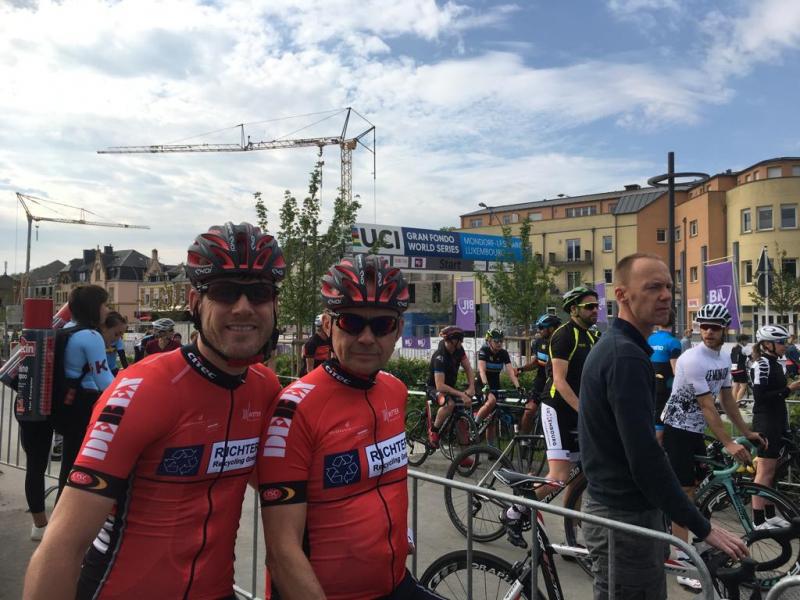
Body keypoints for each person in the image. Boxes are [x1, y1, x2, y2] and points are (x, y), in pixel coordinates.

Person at [24, 222, 285, 600]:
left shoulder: (265, 388)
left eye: (259, 293)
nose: (243, 307)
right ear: (195, 302)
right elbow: (61, 547)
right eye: (225, 292)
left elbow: (283, 484)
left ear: (274, 305)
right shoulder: (141, 390)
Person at [259, 254, 443, 600]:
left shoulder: (395, 390)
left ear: (398, 330)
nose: (367, 338)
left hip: (395, 583)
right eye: (352, 322)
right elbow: (282, 553)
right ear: (329, 326)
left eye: (382, 325)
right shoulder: (293, 410)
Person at [578, 253, 748, 600]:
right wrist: (704, 528)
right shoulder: (625, 356)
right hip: (624, 519)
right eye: (653, 287)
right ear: (622, 295)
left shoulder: (622, 347)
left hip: (621, 512)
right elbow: (644, 459)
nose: (666, 295)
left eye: (669, 286)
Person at [661, 303, 764, 589]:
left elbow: (727, 400)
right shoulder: (692, 359)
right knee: (684, 492)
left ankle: (685, 535)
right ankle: (681, 560)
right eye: (703, 326)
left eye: (714, 327)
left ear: (724, 329)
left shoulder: (722, 359)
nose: (707, 332)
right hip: (678, 428)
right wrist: (728, 442)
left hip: (695, 430)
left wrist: (746, 431)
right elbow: (707, 406)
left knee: (696, 488)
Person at [54, 285, 115, 499]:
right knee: (81, 464)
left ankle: (61, 506)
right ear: (93, 307)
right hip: (84, 403)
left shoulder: (68, 328)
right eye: (104, 305)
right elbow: (104, 379)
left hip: (66, 401)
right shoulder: (91, 336)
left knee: (69, 462)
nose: (107, 310)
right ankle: (71, 509)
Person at [540, 286, 598, 489]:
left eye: (596, 306)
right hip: (556, 407)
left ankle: (570, 517)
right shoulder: (563, 335)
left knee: (577, 477)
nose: (595, 310)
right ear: (573, 309)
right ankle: (519, 505)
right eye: (589, 306)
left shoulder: (592, 337)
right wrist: (584, 410)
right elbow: (559, 380)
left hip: (575, 410)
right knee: (559, 476)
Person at [751, 325, 800, 528]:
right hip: (765, 421)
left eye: (785, 342)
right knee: (764, 471)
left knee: (773, 472)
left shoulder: (777, 364)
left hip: (777, 420)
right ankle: (757, 518)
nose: (784, 346)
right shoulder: (761, 364)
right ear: (767, 344)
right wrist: (789, 389)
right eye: (780, 342)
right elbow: (760, 397)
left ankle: (770, 515)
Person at [426, 325, 476, 448]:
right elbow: (440, 386)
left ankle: (464, 453)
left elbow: (468, 368)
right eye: (461, 340)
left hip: (449, 387)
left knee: (460, 414)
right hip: (434, 388)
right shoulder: (440, 356)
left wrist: (471, 387)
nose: (462, 342)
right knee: (449, 404)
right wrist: (462, 394)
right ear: (453, 340)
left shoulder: (459, 350)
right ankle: (434, 431)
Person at [518, 313, 561, 437]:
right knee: (529, 410)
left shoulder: (561, 343)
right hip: (540, 382)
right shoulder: (538, 342)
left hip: (555, 383)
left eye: (542, 327)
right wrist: (521, 369)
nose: (539, 330)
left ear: (551, 328)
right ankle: (524, 439)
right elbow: (536, 362)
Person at [475, 328, 521, 439]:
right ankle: (475, 425)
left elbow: (511, 372)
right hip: (482, 383)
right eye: (496, 341)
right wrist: (486, 387)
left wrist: (518, 387)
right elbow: (482, 371)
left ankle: (491, 447)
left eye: (501, 341)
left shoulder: (503, 353)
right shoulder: (484, 351)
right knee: (491, 401)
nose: (499, 343)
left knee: (492, 419)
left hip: (495, 385)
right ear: (489, 341)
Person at [647, 320, 681, 444]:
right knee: (661, 417)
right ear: (673, 323)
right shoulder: (673, 342)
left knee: (650, 413)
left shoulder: (649, 339)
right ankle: (659, 449)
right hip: (665, 386)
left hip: (648, 382)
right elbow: (675, 369)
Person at [101, 311, 128, 376]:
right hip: (102, 370)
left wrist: (127, 371)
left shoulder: (118, 340)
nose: (118, 338)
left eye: (121, 335)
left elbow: (122, 356)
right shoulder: (95, 341)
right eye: (116, 334)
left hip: (112, 368)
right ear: (104, 328)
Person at [731, 334, 751, 403]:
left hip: (733, 369)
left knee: (735, 386)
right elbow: (751, 358)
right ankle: (738, 403)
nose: (747, 343)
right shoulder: (744, 349)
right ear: (742, 341)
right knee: (743, 386)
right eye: (747, 341)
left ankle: (734, 403)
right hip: (741, 369)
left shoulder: (734, 348)